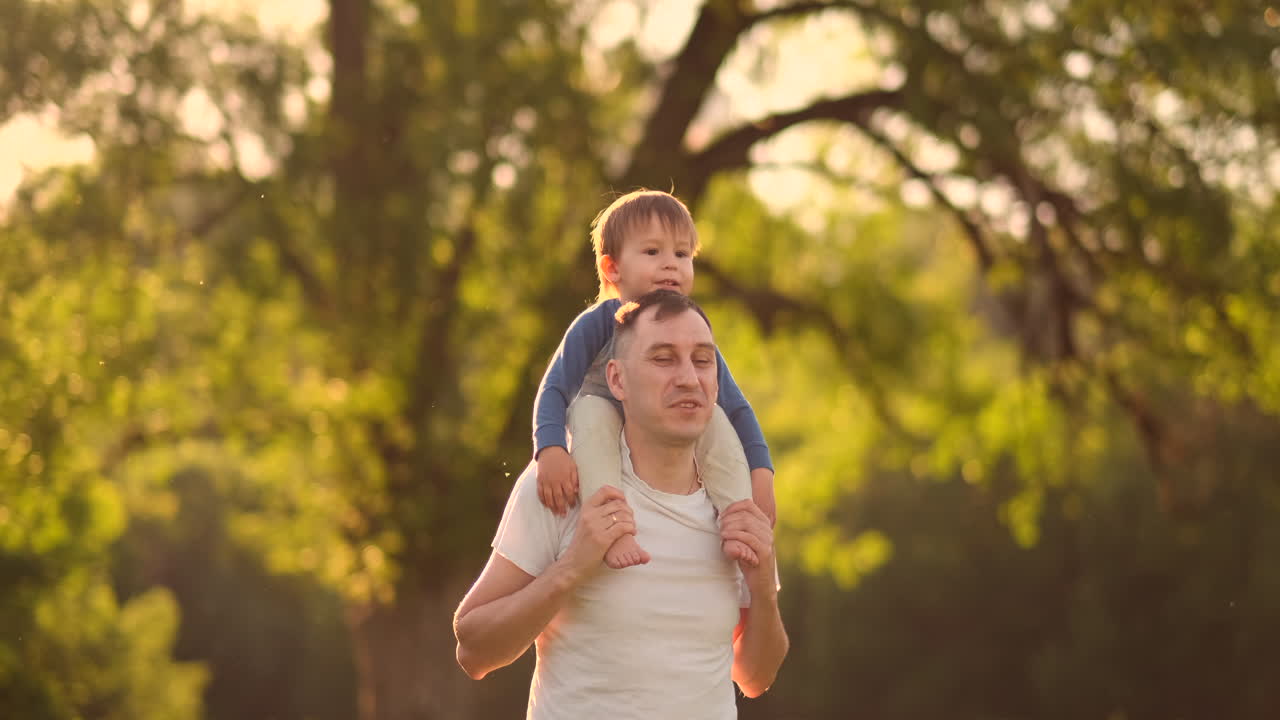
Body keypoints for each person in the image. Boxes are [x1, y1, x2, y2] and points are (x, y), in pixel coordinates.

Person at [454, 290, 788, 718]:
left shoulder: (736, 505)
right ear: (616, 380)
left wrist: (762, 590)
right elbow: (472, 651)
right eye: (663, 358)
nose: (689, 377)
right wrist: (571, 569)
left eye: (702, 360)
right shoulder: (563, 487)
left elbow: (756, 677)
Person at [533, 189, 776, 569]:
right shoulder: (597, 322)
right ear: (613, 268)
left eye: (682, 254)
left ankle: (739, 519)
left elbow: (738, 406)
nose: (670, 265)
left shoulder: (690, 328)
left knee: (716, 417)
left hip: (664, 428)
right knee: (590, 414)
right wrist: (549, 448)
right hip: (607, 418)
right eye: (652, 253)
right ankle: (612, 527)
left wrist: (762, 473)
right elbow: (555, 388)